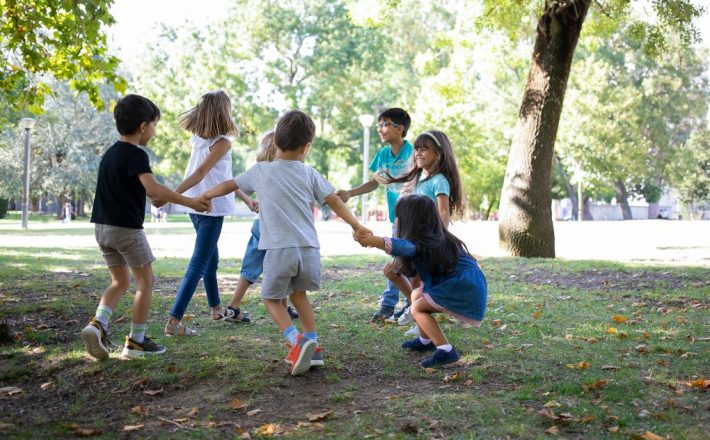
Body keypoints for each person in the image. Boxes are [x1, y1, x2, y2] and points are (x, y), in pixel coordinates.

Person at [202, 110, 371, 375]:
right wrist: (357, 225)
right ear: (306, 147)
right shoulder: (309, 173)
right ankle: (313, 346)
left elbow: (230, 184)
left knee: (270, 298)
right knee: (299, 296)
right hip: (309, 250)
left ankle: (296, 341)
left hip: (280, 249)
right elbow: (335, 200)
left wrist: (207, 194)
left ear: (276, 143)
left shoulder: (261, 171)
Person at [81, 94, 210, 360]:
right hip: (126, 230)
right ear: (143, 126)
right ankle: (136, 342)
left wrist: (157, 196)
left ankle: (98, 324)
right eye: (154, 124)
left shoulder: (110, 154)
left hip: (102, 229)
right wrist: (190, 201)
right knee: (145, 282)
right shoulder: (136, 154)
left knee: (119, 281)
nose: (154, 130)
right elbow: (152, 187)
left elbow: (143, 191)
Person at [158, 90, 253, 337]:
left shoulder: (198, 140)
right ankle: (174, 321)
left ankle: (215, 309)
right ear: (224, 111)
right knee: (199, 263)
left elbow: (225, 177)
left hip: (196, 206)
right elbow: (201, 173)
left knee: (211, 258)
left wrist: (245, 197)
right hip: (210, 206)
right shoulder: (222, 142)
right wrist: (169, 195)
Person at [355, 195, 487, 368]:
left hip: (462, 286)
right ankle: (426, 341)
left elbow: (403, 246)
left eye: (399, 217)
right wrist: (395, 275)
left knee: (417, 308)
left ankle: (446, 351)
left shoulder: (422, 243)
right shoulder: (434, 240)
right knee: (417, 296)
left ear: (411, 221)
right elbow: (415, 289)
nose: (396, 221)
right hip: (466, 284)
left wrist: (373, 241)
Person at [382, 130, 466, 331]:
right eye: (417, 149)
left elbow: (443, 212)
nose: (418, 153)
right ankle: (415, 309)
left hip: (427, 242)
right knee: (392, 271)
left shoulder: (439, 181)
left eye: (424, 149)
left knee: (416, 281)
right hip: (413, 239)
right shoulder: (418, 178)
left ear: (438, 153)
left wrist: (439, 238)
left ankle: (419, 318)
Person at [336, 107, 413, 322]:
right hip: (395, 217)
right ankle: (406, 302)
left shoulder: (413, 152)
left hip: (414, 217)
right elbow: (374, 183)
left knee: (401, 260)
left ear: (401, 128)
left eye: (385, 124)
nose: (380, 129)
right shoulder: (383, 154)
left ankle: (391, 304)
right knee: (399, 259)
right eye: (379, 125)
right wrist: (350, 193)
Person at [220, 131, 299, 325]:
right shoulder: (285, 171)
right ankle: (281, 306)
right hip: (275, 227)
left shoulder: (261, 170)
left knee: (251, 266)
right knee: (282, 265)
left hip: (260, 224)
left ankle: (234, 306)